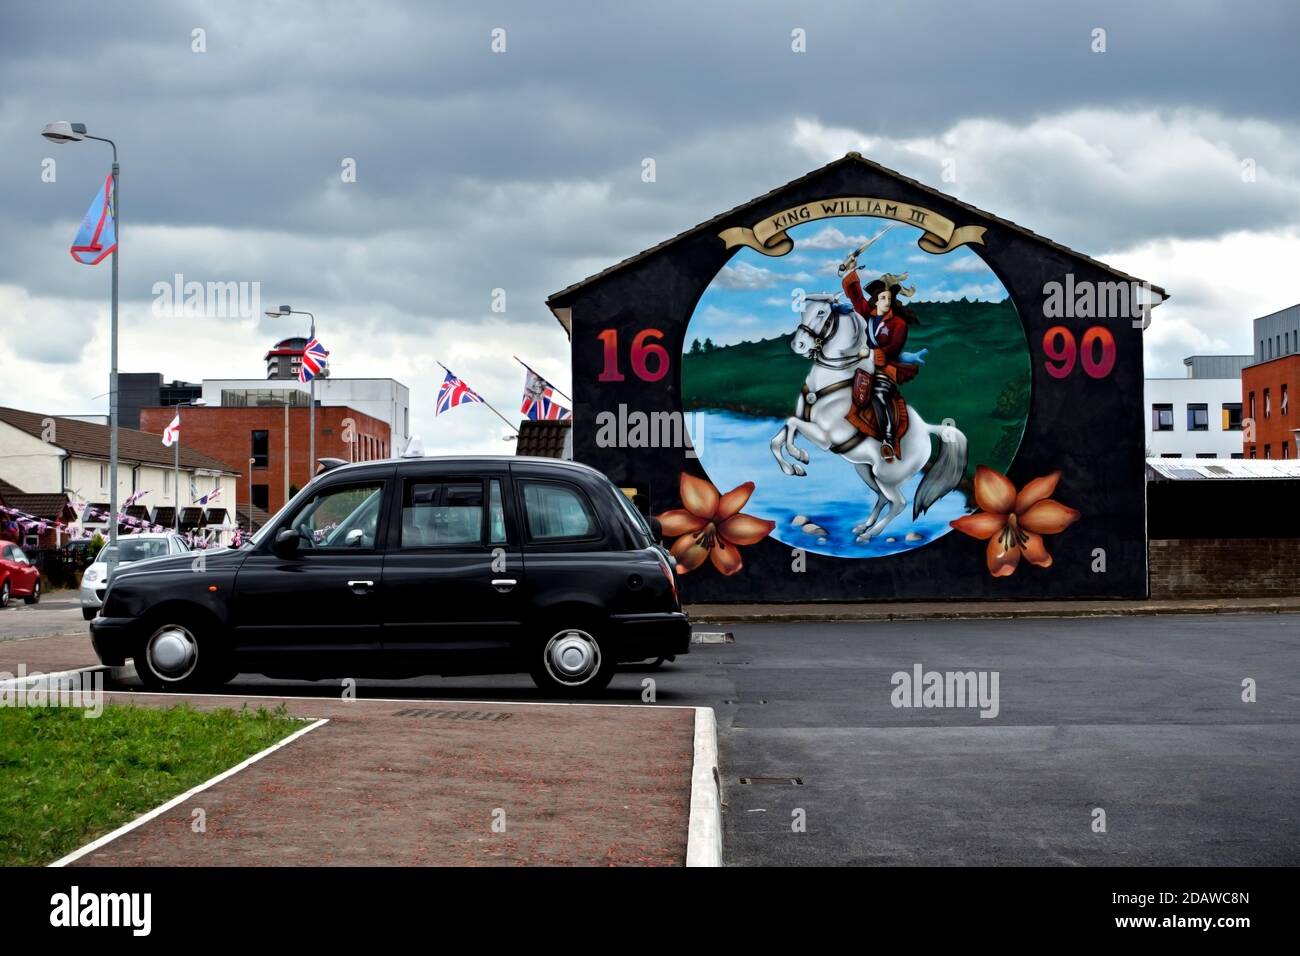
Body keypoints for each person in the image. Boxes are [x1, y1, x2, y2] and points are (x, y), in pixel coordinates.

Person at [841, 266, 921, 462]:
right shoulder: (869, 315)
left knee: (878, 393)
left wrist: (869, 352)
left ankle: (887, 439)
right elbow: (856, 297)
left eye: (889, 298)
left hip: (884, 368)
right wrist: (849, 271)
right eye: (883, 298)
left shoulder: (898, 324)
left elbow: (892, 349)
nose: (887, 302)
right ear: (876, 300)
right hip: (862, 365)